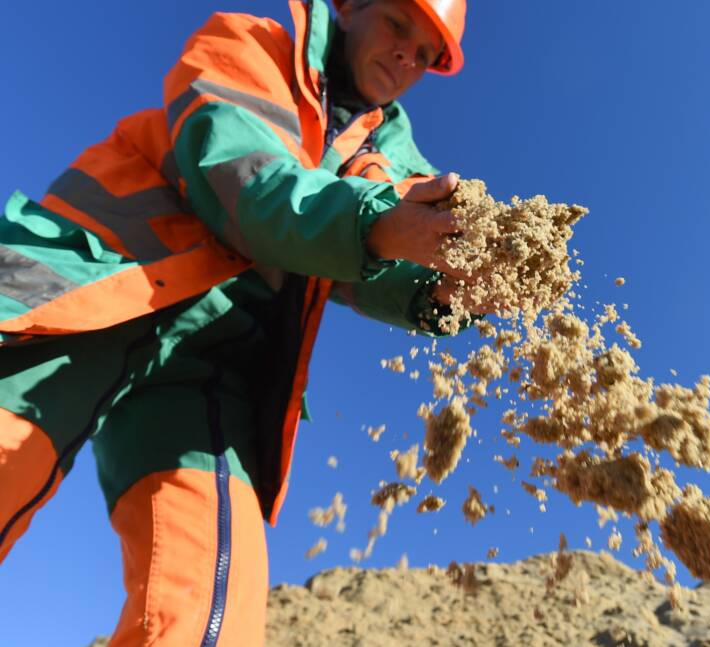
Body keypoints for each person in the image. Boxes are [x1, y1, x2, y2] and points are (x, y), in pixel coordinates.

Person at [0, 0, 476, 643]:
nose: (407, 57)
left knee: (206, 617)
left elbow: (387, 239)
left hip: (210, 370)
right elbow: (246, 181)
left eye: (425, 54)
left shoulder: (387, 152)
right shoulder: (250, 45)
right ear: (350, 7)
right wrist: (380, 221)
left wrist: (444, 287)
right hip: (90, 286)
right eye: (398, 26)